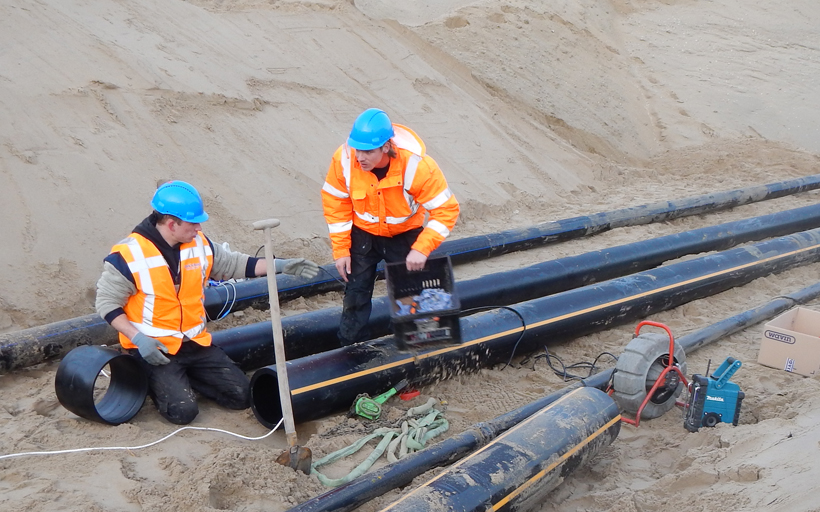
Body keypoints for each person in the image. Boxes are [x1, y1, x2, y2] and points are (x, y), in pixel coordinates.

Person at [95, 180, 320, 424]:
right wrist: (139, 340)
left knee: (242, 396)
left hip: (194, 343)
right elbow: (107, 303)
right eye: (193, 222)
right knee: (182, 412)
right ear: (172, 224)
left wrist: (280, 265)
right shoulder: (129, 255)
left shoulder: (199, 243)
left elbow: (237, 264)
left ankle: (183, 376)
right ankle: (155, 378)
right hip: (154, 349)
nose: (199, 227)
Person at [321, 108, 460, 346]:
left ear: (386, 147)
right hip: (363, 234)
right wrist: (341, 250)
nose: (360, 157)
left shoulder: (417, 166)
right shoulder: (344, 160)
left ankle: (418, 348)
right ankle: (351, 349)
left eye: (367, 151)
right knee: (355, 295)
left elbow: (447, 209)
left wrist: (421, 249)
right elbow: (336, 202)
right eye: (357, 150)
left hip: (404, 235)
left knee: (411, 297)